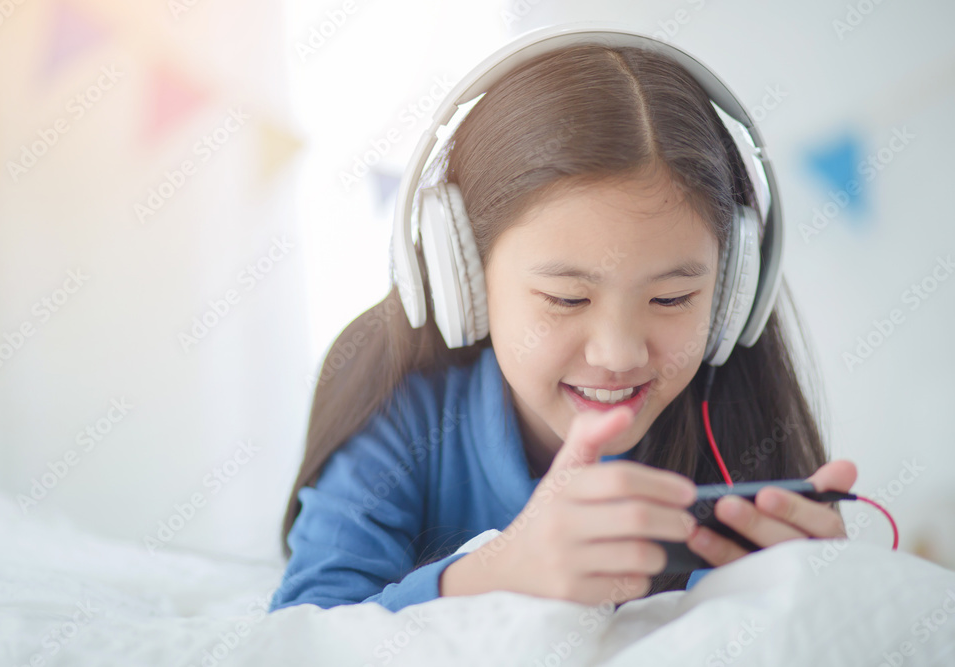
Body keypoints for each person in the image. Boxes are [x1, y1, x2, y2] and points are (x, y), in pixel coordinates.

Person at [268, 32, 857, 614]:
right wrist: (499, 572)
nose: (619, 353)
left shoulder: (733, 421)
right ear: (463, 280)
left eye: (673, 299)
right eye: (567, 299)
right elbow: (305, 632)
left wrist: (814, 594)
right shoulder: (399, 405)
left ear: (733, 294)